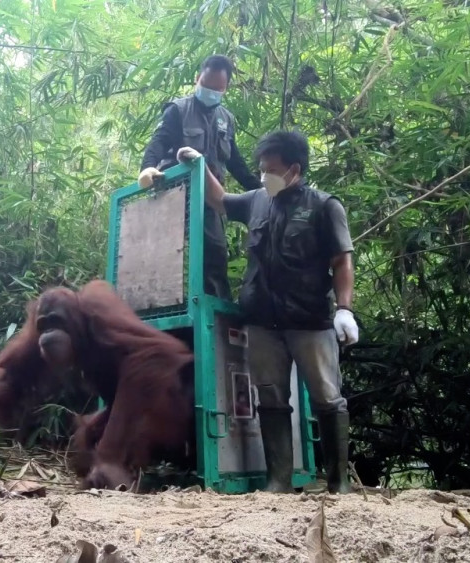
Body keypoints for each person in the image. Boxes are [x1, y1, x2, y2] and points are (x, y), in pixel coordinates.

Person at [176, 130, 359, 494]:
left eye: (271, 170)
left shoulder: (325, 206)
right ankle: (279, 482)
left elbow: (342, 260)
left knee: (327, 397)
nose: (264, 177)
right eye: (261, 169)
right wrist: (201, 165)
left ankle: (339, 484)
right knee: (271, 398)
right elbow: (220, 201)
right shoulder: (258, 201)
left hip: (309, 321)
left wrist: (345, 309)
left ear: (295, 169)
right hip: (262, 321)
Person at [137, 54, 262, 300]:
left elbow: (235, 162)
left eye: (218, 88)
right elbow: (158, 142)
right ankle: (164, 304)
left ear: (225, 88)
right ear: (197, 79)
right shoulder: (178, 110)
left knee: (215, 251)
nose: (211, 92)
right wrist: (147, 168)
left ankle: (215, 307)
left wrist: (260, 190)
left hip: (209, 198)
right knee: (167, 254)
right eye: (207, 85)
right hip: (176, 193)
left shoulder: (226, 119)